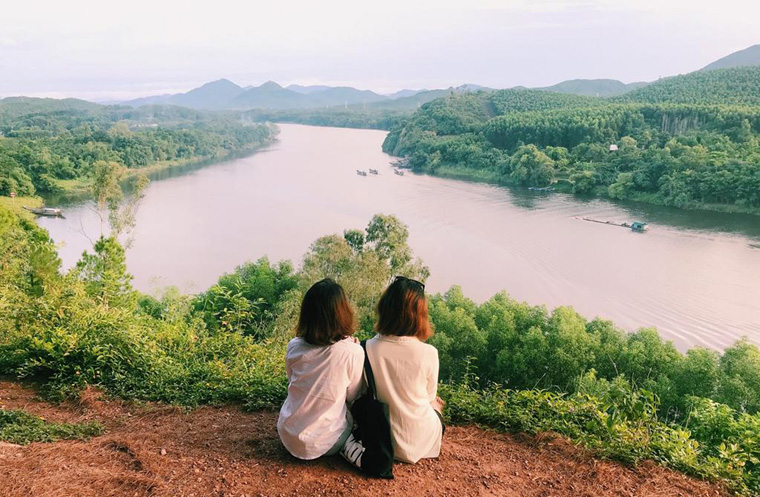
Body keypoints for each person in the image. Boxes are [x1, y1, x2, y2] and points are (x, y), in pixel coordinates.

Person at [277, 278, 365, 461]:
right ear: (343, 313)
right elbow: (354, 395)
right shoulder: (352, 352)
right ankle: (348, 447)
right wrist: (353, 350)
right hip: (327, 442)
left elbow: (292, 379)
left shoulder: (294, 346)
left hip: (288, 435)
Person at [361, 275, 444, 464]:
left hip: (381, 440)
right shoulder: (429, 353)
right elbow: (429, 396)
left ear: (385, 308)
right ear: (420, 315)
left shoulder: (365, 348)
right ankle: (438, 413)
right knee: (434, 404)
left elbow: (361, 392)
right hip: (420, 440)